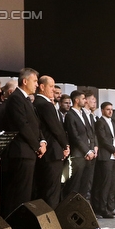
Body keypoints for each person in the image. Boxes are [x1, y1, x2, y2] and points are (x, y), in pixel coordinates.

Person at [0, 68, 45, 215]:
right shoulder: (16, 98)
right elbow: (22, 125)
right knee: (18, 194)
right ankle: (13, 225)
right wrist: (37, 145)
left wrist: (42, 141)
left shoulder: (24, 98)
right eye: (35, 81)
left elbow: (34, 124)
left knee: (25, 193)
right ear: (25, 81)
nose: (37, 85)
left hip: (27, 152)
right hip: (20, 152)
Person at [34, 75, 68, 208]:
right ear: (42, 87)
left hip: (46, 153)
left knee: (44, 190)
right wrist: (65, 145)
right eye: (52, 86)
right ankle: (50, 225)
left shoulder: (36, 102)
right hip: (52, 153)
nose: (54, 89)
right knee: (51, 192)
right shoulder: (45, 104)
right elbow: (56, 128)